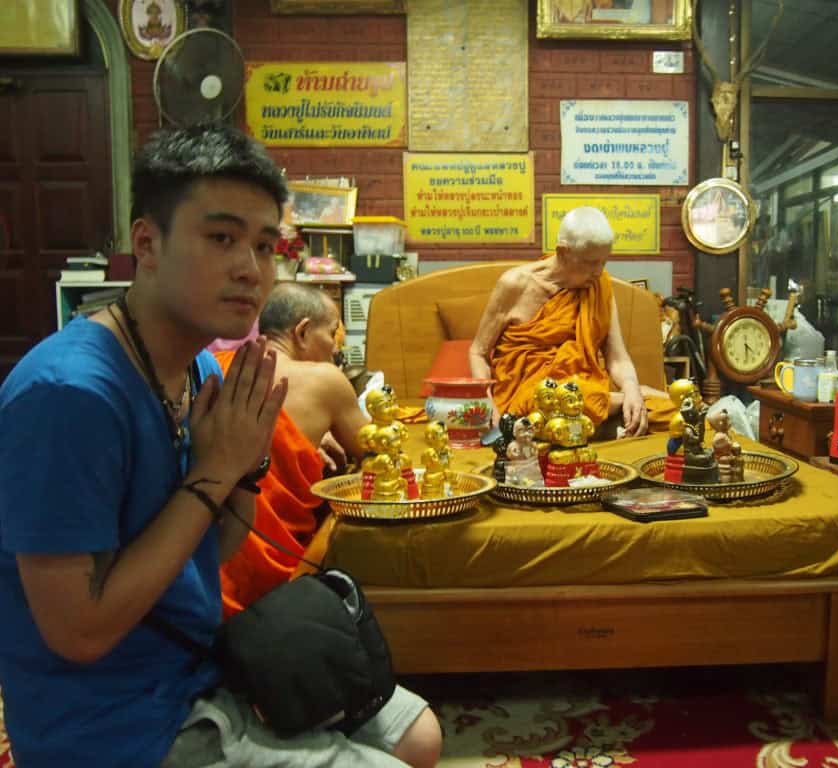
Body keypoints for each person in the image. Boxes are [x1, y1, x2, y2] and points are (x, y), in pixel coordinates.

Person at [0, 123, 440, 768]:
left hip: (206, 658)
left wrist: (246, 465)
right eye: (221, 238)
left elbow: (219, 546)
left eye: (264, 246)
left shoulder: (201, 368)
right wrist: (215, 472)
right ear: (147, 243)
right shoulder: (68, 395)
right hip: (116, 722)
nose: (250, 269)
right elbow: (79, 633)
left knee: (421, 737)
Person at [218, 283, 368, 617]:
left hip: (208, 563)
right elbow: (375, 452)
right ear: (302, 332)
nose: (335, 349)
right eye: (332, 334)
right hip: (275, 577)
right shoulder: (324, 379)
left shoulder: (218, 366)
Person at [469, 206, 674, 437]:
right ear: (563, 252)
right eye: (591, 263)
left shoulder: (599, 286)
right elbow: (478, 352)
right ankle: (613, 409)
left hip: (585, 392)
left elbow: (617, 358)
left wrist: (631, 388)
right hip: (529, 398)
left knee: (673, 413)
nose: (599, 272)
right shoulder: (514, 285)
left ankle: (616, 411)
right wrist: (487, 404)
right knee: (552, 399)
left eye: (604, 262)